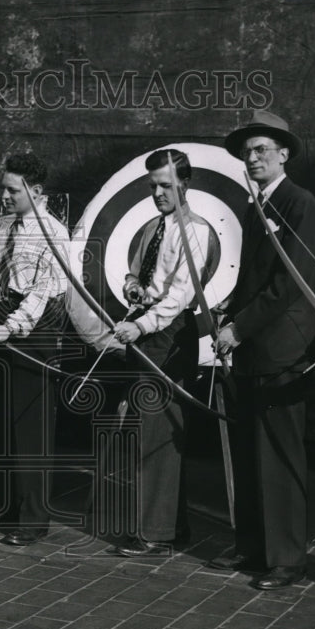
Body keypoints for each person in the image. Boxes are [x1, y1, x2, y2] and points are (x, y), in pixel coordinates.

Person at [212, 110, 315, 590]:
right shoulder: (256, 204)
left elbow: (288, 284)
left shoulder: (299, 202)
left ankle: (286, 559)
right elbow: (251, 278)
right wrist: (227, 314)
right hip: (254, 346)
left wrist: (239, 328)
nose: (251, 158)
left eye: (261, 150)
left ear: (284, 154)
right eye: (247, 151)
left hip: (282, 347)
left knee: (279, 454)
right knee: (251, 451)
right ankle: (254, 549)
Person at [111, 149, 209, 556]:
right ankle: (171, 524)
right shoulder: (153, 227)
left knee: (160, 435)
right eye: (153, 186)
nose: (158, 193)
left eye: (166, 185)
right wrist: (132, 289)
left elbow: (178, 297)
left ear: (185, 183)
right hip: (146, 329)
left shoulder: (196, 230)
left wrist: (141, 324)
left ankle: (155, 532)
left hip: (169, 335)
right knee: (149, 430)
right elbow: (137, 274)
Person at [0, 152, 68, 546]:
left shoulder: (53, 233)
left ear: (36, 191)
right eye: (4, 188)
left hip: (35, 329)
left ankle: (32, 520)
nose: (5, 196)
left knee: (29, 426)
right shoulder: (3, 225)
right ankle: (6, 509)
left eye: (13, 190)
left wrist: (10, 329)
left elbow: (43, 293)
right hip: (2, 319)